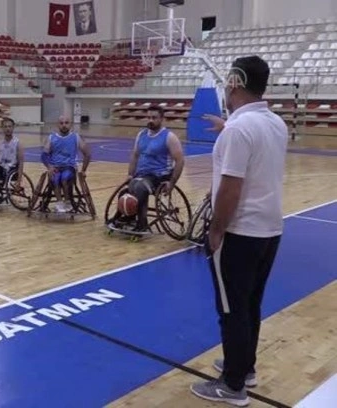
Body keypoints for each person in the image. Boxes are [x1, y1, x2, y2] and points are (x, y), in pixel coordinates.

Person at [190, 56, 288, 407]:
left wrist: (216, 230)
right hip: (269, 231)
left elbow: (230, 188)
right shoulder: (275, 123)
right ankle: (243, 367)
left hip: (240, 232)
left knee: (231, 309)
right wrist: (227, 128)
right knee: (250, 304)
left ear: (234, 81)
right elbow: (249, 141)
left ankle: (232, 386)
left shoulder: (238, 130)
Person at [108, 106, 185, 233]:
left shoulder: (169, 137)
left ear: (161, 119)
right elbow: (135, 155)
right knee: (125, 193)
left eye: (154, 118)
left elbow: (180, 161)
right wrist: (130, 174)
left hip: (159, 176)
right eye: (149, 117)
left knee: (140, 188)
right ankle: (128, 217)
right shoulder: (141, 134)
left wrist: (172, 183)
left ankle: (142, 223)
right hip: (141, 175)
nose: (150, 120)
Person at [41, 115, 91, 213]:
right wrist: (49, 166)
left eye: (66, 123)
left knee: (64, 177)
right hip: (55, 167)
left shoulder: (75, 137)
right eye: (61, 123)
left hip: (69, 166)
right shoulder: (52, 138)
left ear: (70, 124)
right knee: (55, 178)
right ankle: (59, 203)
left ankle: (67, 201)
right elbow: (44, 155)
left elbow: (87, 154)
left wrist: (83, 170)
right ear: (57, 124)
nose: (64, 125)